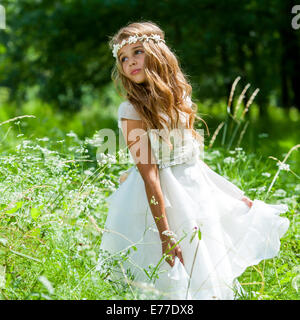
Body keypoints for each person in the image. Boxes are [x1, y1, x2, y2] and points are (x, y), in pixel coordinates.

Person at [98, 21, 290, 300]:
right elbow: (150, 175)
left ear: (157, 52)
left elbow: (194, 162)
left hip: (194, 194)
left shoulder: (179, 97)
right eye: (123, 58)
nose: (130, 62)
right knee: (172, 282)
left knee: (205, 273)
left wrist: (234, 195)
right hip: (162, 202)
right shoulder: (131, 110)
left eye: (137, 52)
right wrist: (165, 235)